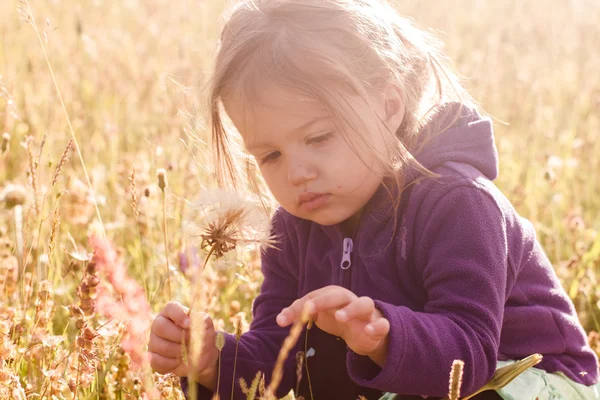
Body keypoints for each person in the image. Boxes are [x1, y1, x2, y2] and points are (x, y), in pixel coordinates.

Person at [147, 0, 600, 398]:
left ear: (388, 105)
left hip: (532, 379)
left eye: (320, 136)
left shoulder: (458, 204)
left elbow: (470, 351)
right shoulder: (293, 230)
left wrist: (384, 337)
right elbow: (278, 359)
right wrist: (212, 362)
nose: (297, 173)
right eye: (270, 155)